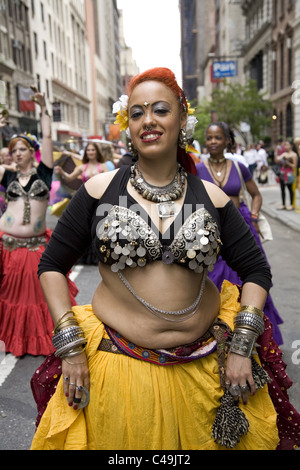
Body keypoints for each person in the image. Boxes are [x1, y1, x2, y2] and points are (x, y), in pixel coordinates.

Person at [30, 68, 299, 451]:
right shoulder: (99, 190)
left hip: (206, 369)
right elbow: (51, 266)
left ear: (182, 119)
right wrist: (71, 347)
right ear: (128, 125)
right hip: (120, 368)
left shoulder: (212, 197)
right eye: (137, 113)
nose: (148, 121)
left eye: (160, 109)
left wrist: (242, 344)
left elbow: (256, 270)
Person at [0, 89, 78, 357]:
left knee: (38, 297)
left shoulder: (43, 173)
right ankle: (13, 339)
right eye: (13, 150)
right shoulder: (7, 177)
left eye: (22, 149)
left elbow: (46, 136)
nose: (17, 153)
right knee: (11, 297)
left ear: (31, 152)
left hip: (33, 248)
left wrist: (44, 109)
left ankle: (40, 339)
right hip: (6, 246)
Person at [195, 122, 283, 346]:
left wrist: (253, 215)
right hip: (210, 230)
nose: (213, 142)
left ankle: (251, 334)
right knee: (213, 280)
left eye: (218, 137)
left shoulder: (239, 167)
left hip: (242, 227)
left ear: (227, 141)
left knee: (249, 277)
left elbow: (256, 194)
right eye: (210, 138)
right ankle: (215, 335)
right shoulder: (197, 169)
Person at [275, 140, 298, 211]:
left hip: (289, 173)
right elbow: (277, 160)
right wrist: (276, 152)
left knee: (290, 189)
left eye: (287, 145)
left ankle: (291, 204)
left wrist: (288, 162)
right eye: (285, 145)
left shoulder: (294, 155)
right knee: (282, 189)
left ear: (291, 146)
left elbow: (295, 166)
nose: (286, 146)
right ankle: (283, 204)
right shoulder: (284, 154)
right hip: (283, 173)